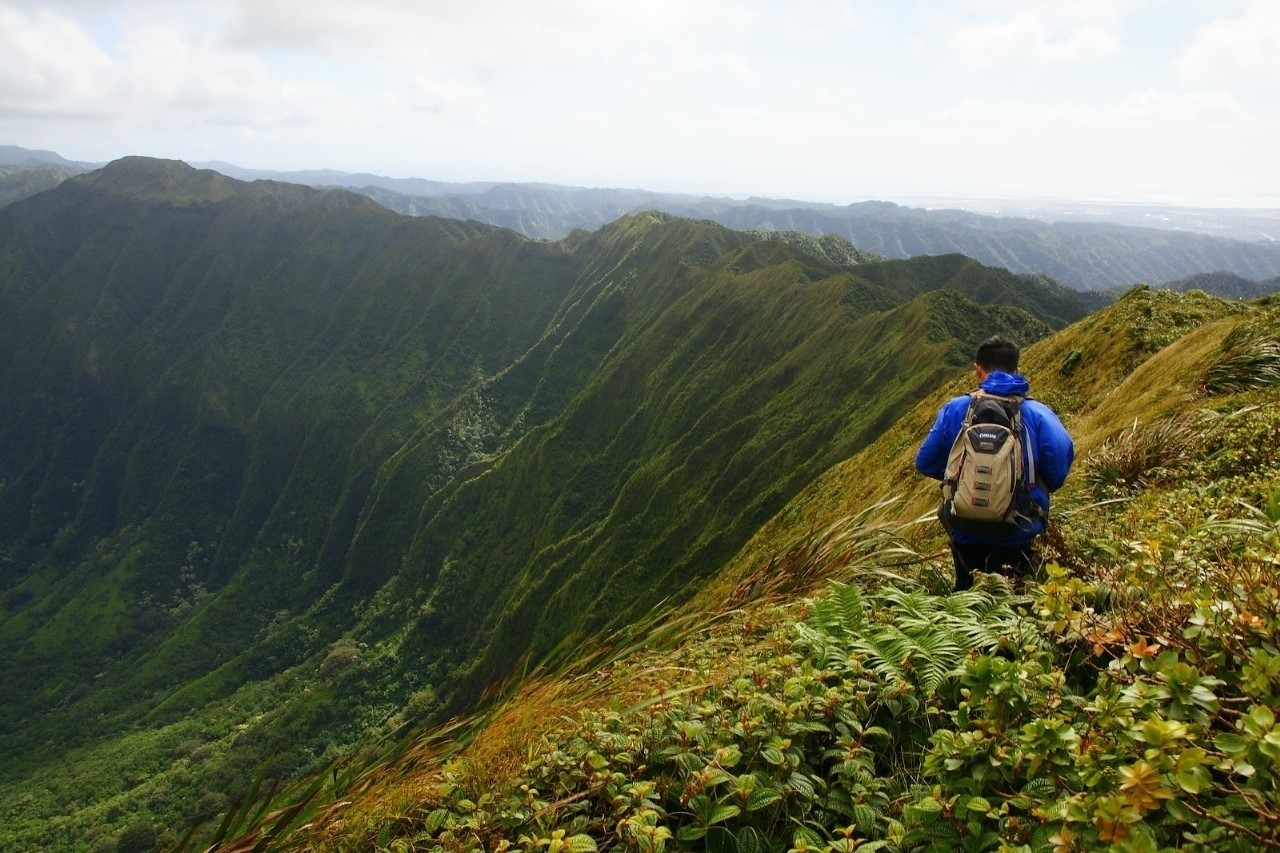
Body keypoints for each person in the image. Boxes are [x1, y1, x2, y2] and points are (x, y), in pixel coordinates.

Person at [915, 334, 1074, 591]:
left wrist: (963, 478)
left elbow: (924, 461)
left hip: (965, 530)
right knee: (1017, 598)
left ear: (978, 370)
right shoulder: (1038, 414)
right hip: (1019, 530)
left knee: (966, 596)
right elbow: (1058, 470)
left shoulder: (955, 409)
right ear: (1017, 370)